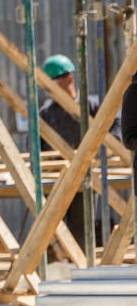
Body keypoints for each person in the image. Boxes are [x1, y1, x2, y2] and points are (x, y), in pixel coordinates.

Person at [38, 53, 118, 249]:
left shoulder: (92, 106)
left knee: (81, 226)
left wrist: (105, 150)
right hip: (56, 177)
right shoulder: (46, 113)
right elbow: (37, 147)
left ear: (69, 79)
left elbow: (116, 128)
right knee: (49, 228)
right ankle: (54, 269)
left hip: (86, 174)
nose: (50, 91)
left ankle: (80, 266)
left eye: (53, 84)